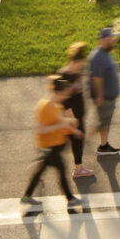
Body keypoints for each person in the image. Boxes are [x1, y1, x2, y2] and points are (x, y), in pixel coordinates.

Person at [21, 74, 84, 213]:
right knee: (61, 170)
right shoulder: (45, 107)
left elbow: (60, 122)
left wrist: (73, 129)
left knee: (41, 170)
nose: (67, 97)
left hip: (53, 146)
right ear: (59, 92)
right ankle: (70, 198)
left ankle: (27, 196)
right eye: (66, 94)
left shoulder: (56, 106)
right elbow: (39, 128)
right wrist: (62, 127)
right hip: (49, 147)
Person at [58, 41, 93, 178]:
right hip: (72, 117)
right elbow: (63, 100)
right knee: (64, 144)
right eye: (82, 63)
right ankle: (78, 169)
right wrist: (72, 119)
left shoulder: (76, 73)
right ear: (77, 61)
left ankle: (79, 167)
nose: (83, 66)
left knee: (65, 144)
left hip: (78, 117)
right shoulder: (65, 75)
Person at [89, 26, 120, 157]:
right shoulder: (98, 57)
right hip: (104, 98)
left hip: (108, 97)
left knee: (105, 122)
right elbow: (97, 78)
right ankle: (84, 138)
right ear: (103, 40)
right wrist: (100, 96)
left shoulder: (105, 53)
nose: (113, 40)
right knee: (102, 123)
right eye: (110, 38)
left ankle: (104, 145)